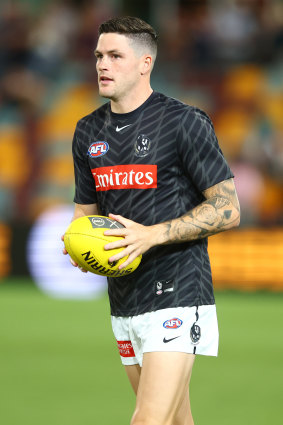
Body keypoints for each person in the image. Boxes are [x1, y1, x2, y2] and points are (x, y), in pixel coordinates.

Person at [63, 16, 240, 425]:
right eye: (98, 56)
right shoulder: (87, 131)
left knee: (147, 420)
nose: (101, 65)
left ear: (145, 63)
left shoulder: (183, 122)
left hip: (179, 291)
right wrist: (76, 244)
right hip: (124, 299)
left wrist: (150, 236)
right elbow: (85, 215)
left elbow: (228, 208)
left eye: (114, 56)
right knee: (177, 421)